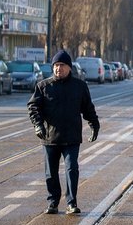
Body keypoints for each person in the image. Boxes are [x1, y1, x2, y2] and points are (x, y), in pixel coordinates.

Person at [27, 50, 100, 215]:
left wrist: (94, 125)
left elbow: (88, 108)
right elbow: (33, 107)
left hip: (71, 137)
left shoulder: (79, 86)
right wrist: (38, 125)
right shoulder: (43, 86)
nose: (58, 69)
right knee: (50, 172)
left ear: (69, 67)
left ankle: (71, 203)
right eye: (56, 65)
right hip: (50, 137)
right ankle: (53, 202)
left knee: (71, 169)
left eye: (62, 65)